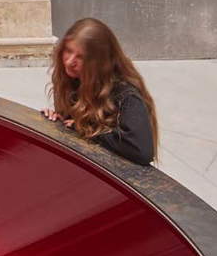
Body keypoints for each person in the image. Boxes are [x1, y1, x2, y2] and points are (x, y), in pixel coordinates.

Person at [41, 17, 157, 165]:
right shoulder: (70, 79)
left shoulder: (126, 95)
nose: (70, 62)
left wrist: (89, 132)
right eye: (68, 51)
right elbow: (73, 127)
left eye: (81, 57)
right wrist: (56, 121)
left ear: (99, 62)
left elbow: (142, 151)